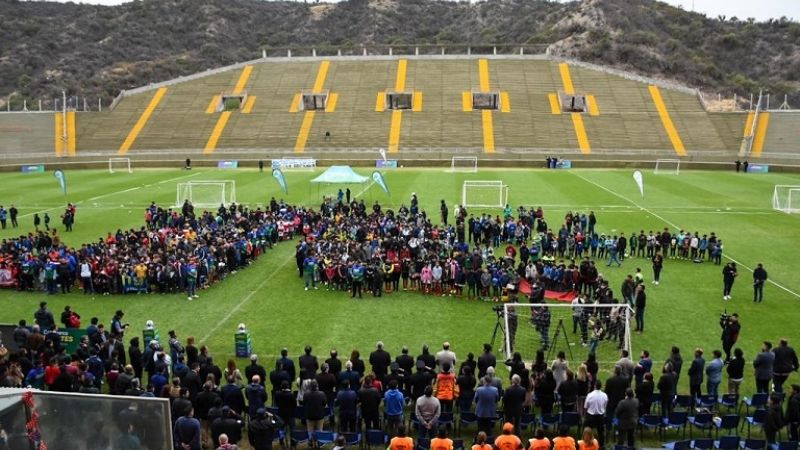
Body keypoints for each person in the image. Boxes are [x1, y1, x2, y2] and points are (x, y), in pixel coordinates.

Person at [584, 381, 607, 448]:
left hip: (590, 416)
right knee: (601, 433)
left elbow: (585, 406)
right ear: (601, 387)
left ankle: (586, 443)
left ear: (594, 386)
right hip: (600, 416)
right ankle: (601, 445)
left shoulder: (590, 395)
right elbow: (604, 406)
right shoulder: (604, 395)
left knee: (586, 431)